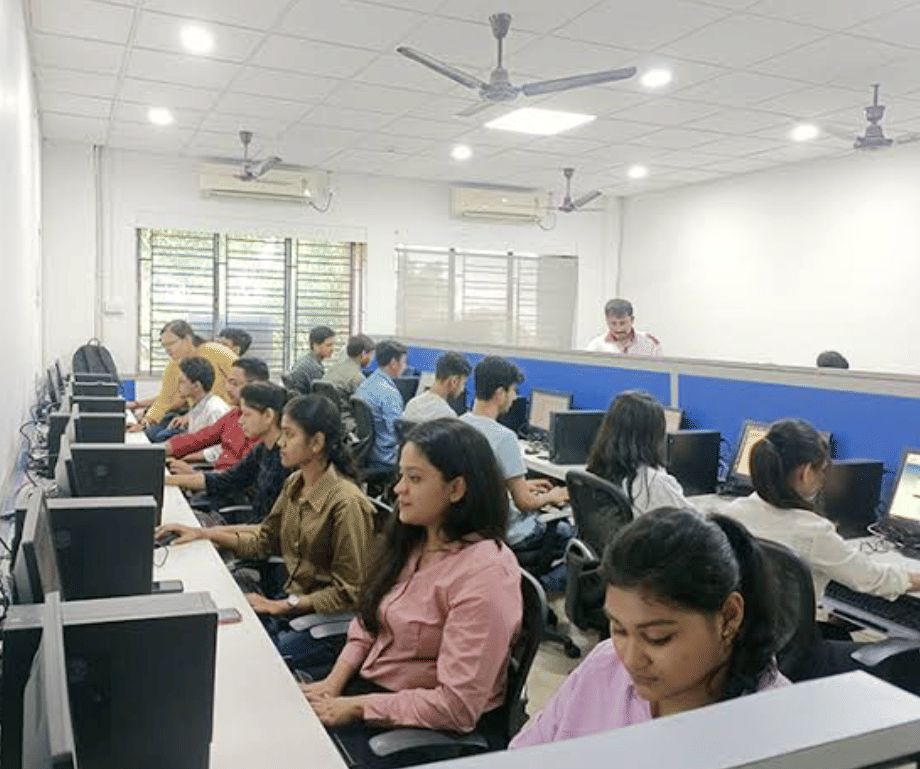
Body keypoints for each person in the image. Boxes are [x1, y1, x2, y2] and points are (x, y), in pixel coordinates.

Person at [301, 419, 522, 764]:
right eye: (401, 475)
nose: (397, 489)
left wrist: (358, 706)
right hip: (371, 690)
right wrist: (333, 682)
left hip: (422, 726)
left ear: (456, 489)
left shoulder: (486, 575)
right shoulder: (414, 539)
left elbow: (457, 707)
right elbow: (367, 620)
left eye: (415, 479)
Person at [510, 508, 787, 747]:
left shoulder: (776, 728)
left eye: (658, 638)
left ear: (729, 617)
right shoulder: (604, 665)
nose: (630, 659)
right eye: (618, 629)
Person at [157, 394, 375, 673]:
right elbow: (263, 541)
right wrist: (203, 535)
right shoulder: (296, 483)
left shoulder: (347, 504)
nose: (281, 443)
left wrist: (281, 606)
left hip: (322, 624)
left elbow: (350, 593)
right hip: (289, 606)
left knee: (242, 663)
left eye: (289, 435)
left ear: (317, 443)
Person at [725, 419, 920, 604]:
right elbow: (875, 580)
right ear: (807, 473)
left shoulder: (731, 514)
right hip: (793, 638)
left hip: (745, 633)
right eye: (823, 470)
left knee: (841, 623)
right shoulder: (812, 531)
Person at [459, 357, 571, 590]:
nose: (514, 397)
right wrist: (553, 496)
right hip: (508, 531)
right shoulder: (504, 438)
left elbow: (481, 483)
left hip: (469, 528)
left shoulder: (459, 425)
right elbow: (525, 504)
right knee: (573, 533)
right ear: (500, 393)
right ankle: (539, 591)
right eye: (513, 391)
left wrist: (520, 484)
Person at [164, 382, 292, 523]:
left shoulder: (284, 459)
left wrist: (206, 533)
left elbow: (265, 526)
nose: (240, 421)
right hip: (246, 525)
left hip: (246, 523)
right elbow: (226, 479)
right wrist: (165, 480)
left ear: (268, 416)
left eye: (247, 414)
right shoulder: (262, 449)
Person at [586, 390, 696, 517]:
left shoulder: (597, 467)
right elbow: (694, 522)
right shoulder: (654, 483)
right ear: (653, 436)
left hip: (610, 537)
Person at [127, 320, 238, 439]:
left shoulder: (216, 351)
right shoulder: (174, 364)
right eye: (164, 345)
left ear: (187, 340)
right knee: (152, 435)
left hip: (227, 414)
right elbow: (165, 399)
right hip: (198, 416)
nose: (167, 349)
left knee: (163, 439)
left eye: (171, 343)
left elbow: (247, 380)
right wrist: (145, 423)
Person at [166, 357, 270, 472]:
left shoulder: (262, 423)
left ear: (255, 386)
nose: (228, 388)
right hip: (216, 480)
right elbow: (199, 438)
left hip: (225, 484)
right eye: (228, 382)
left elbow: (241, 476)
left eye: (234, 384)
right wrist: (157, 450)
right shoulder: (233, 415)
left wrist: (194, 473)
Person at [354, 339, 407, 469]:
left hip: (368, 453)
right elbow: (396, 432)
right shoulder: (389, 393)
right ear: (394, 363)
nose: (405, 366)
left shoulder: (365, 384)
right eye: (404, 362)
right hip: (386, 457)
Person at [323, 334, 375, 431]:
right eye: (371, 355)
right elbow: (364, 411)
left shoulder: (334, 368)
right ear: (363, 354)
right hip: (346, 425)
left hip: (327, 420)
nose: (371, 359)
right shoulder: (357, 378)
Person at [402, 351, 471, 423]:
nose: (462, 389)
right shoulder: (448, 416)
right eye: (463, 383)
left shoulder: (412, 404)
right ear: (454, 382)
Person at [169, 356, 230, 436]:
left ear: (197, 386)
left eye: (182, 382)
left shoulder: (214, 410)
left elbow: (216, 447)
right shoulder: (198, 406)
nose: (177, 385)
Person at [585, 298, 662, 356]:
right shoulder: (596, 346)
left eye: (622, 323)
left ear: (632, 320)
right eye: (613, 323)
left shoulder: (650, 344)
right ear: (607, 321)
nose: (618, 329)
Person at [284, 326, 336, 394]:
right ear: (315, 346)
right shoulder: (313, 367)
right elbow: (321, 395)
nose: (332, 349)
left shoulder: (305, 360)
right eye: (328, 345)